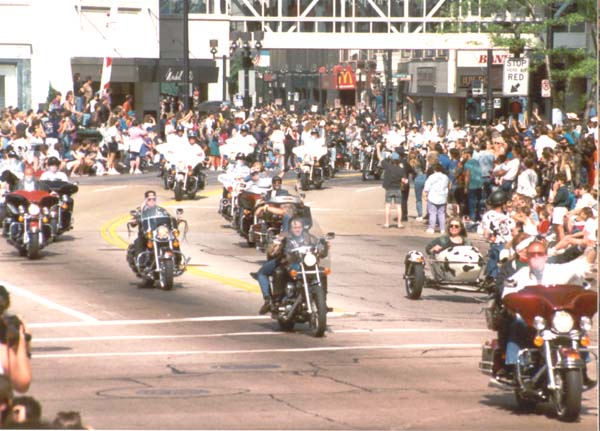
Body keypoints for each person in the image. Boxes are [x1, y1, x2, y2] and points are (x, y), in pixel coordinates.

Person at [500, 240, 594, 386]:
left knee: (577, 329)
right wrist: (512, 301)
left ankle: (582, 369)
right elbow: (508, 293)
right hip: (533, 320)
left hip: (555, 319)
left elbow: (583, 267)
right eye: (532, 254)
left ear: (545, 256)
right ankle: (514, 367)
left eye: (540, 254)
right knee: (518, 323)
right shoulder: (521, 275)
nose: (536, 257)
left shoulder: (558, 270)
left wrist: (593, 247)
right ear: (527, 257)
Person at [252, 217, 322, 314]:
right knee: (265, 272)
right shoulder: (284, 236)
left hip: (304, 263)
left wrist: (324, 246)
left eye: (299, 227)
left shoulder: (309, 237)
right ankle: (269, 300)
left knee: (322, 272)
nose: (297, 229)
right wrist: (276, 246)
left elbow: (320, 248)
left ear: (303, 227)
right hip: (285, 261)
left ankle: (322, 301)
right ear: (290, 228)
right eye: (295, 227)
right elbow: (271, 252)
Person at [480, 189, 514, 281]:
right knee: (500, 259)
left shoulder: (505, 215)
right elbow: (487, 231)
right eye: (505, 203)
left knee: (497, 259)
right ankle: (493, 277)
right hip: (500, 243)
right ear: (502, 204)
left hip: (505, 243)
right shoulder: (492, 215)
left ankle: (492, 276)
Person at [381, 152, 409, 228]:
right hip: (398, 188)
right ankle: (399, 223)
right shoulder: (401, 169)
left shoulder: (388, 166)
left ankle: (387, 223)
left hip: (389, 188)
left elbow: (381, 158)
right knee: (398, 206)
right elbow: (404, 180)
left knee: (387, 206)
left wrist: (378, 148)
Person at [423, 163, 449, 234]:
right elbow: (447, 186)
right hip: (442, 197)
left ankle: (431, 228)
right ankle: (442, 229)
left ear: (434, 169)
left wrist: (425, 194)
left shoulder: (432, 176)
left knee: (432, 213)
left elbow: (427, 186)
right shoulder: (445, 177)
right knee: (442, 214)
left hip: (433, 196)